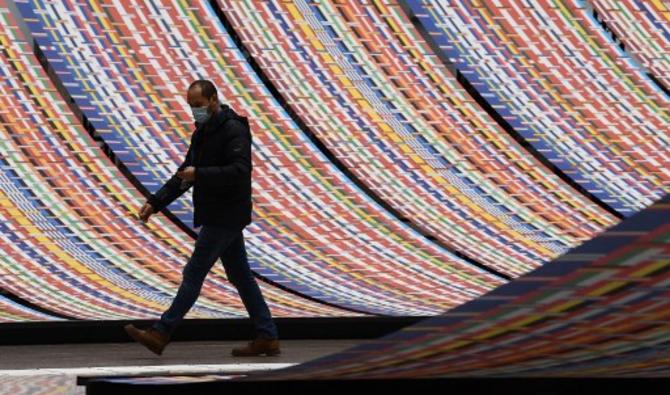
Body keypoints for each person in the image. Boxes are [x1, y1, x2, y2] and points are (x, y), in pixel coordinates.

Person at [124, 79, 280, 357]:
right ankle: (267, 336)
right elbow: (186, 173)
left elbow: (240, 170)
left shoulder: (234, 129)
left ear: (213, 100)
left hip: (227, 214)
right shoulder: (202, 132)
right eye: (191, 106)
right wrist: (155, 202)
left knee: (194, 271)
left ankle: (161, 332)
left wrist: (200, 174)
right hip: (218, 213)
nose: (195, 110)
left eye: (198, 105)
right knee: (240, 275)